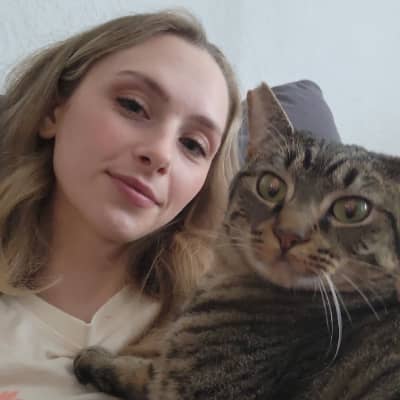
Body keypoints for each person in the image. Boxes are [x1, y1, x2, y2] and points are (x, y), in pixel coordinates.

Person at [0, 10, 241, 399]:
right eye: (132, 105)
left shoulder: (225, 332)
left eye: (193, 145)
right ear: (52, 111)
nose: (160, 153)